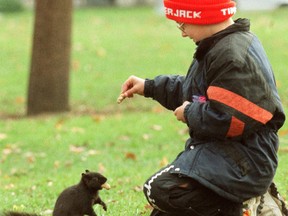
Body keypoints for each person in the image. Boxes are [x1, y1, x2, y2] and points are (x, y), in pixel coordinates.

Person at [119, 0, 287, 215]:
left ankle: (244, 206)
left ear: (202, 16)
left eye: (183, 24)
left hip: (245, 159)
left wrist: (189, 113)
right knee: (165, 208)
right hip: (226, 152)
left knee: (161, 190)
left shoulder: (232, 55)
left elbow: (232, 120)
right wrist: (150, 87)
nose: (182, 33)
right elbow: (197, 92)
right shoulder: (218, 46)